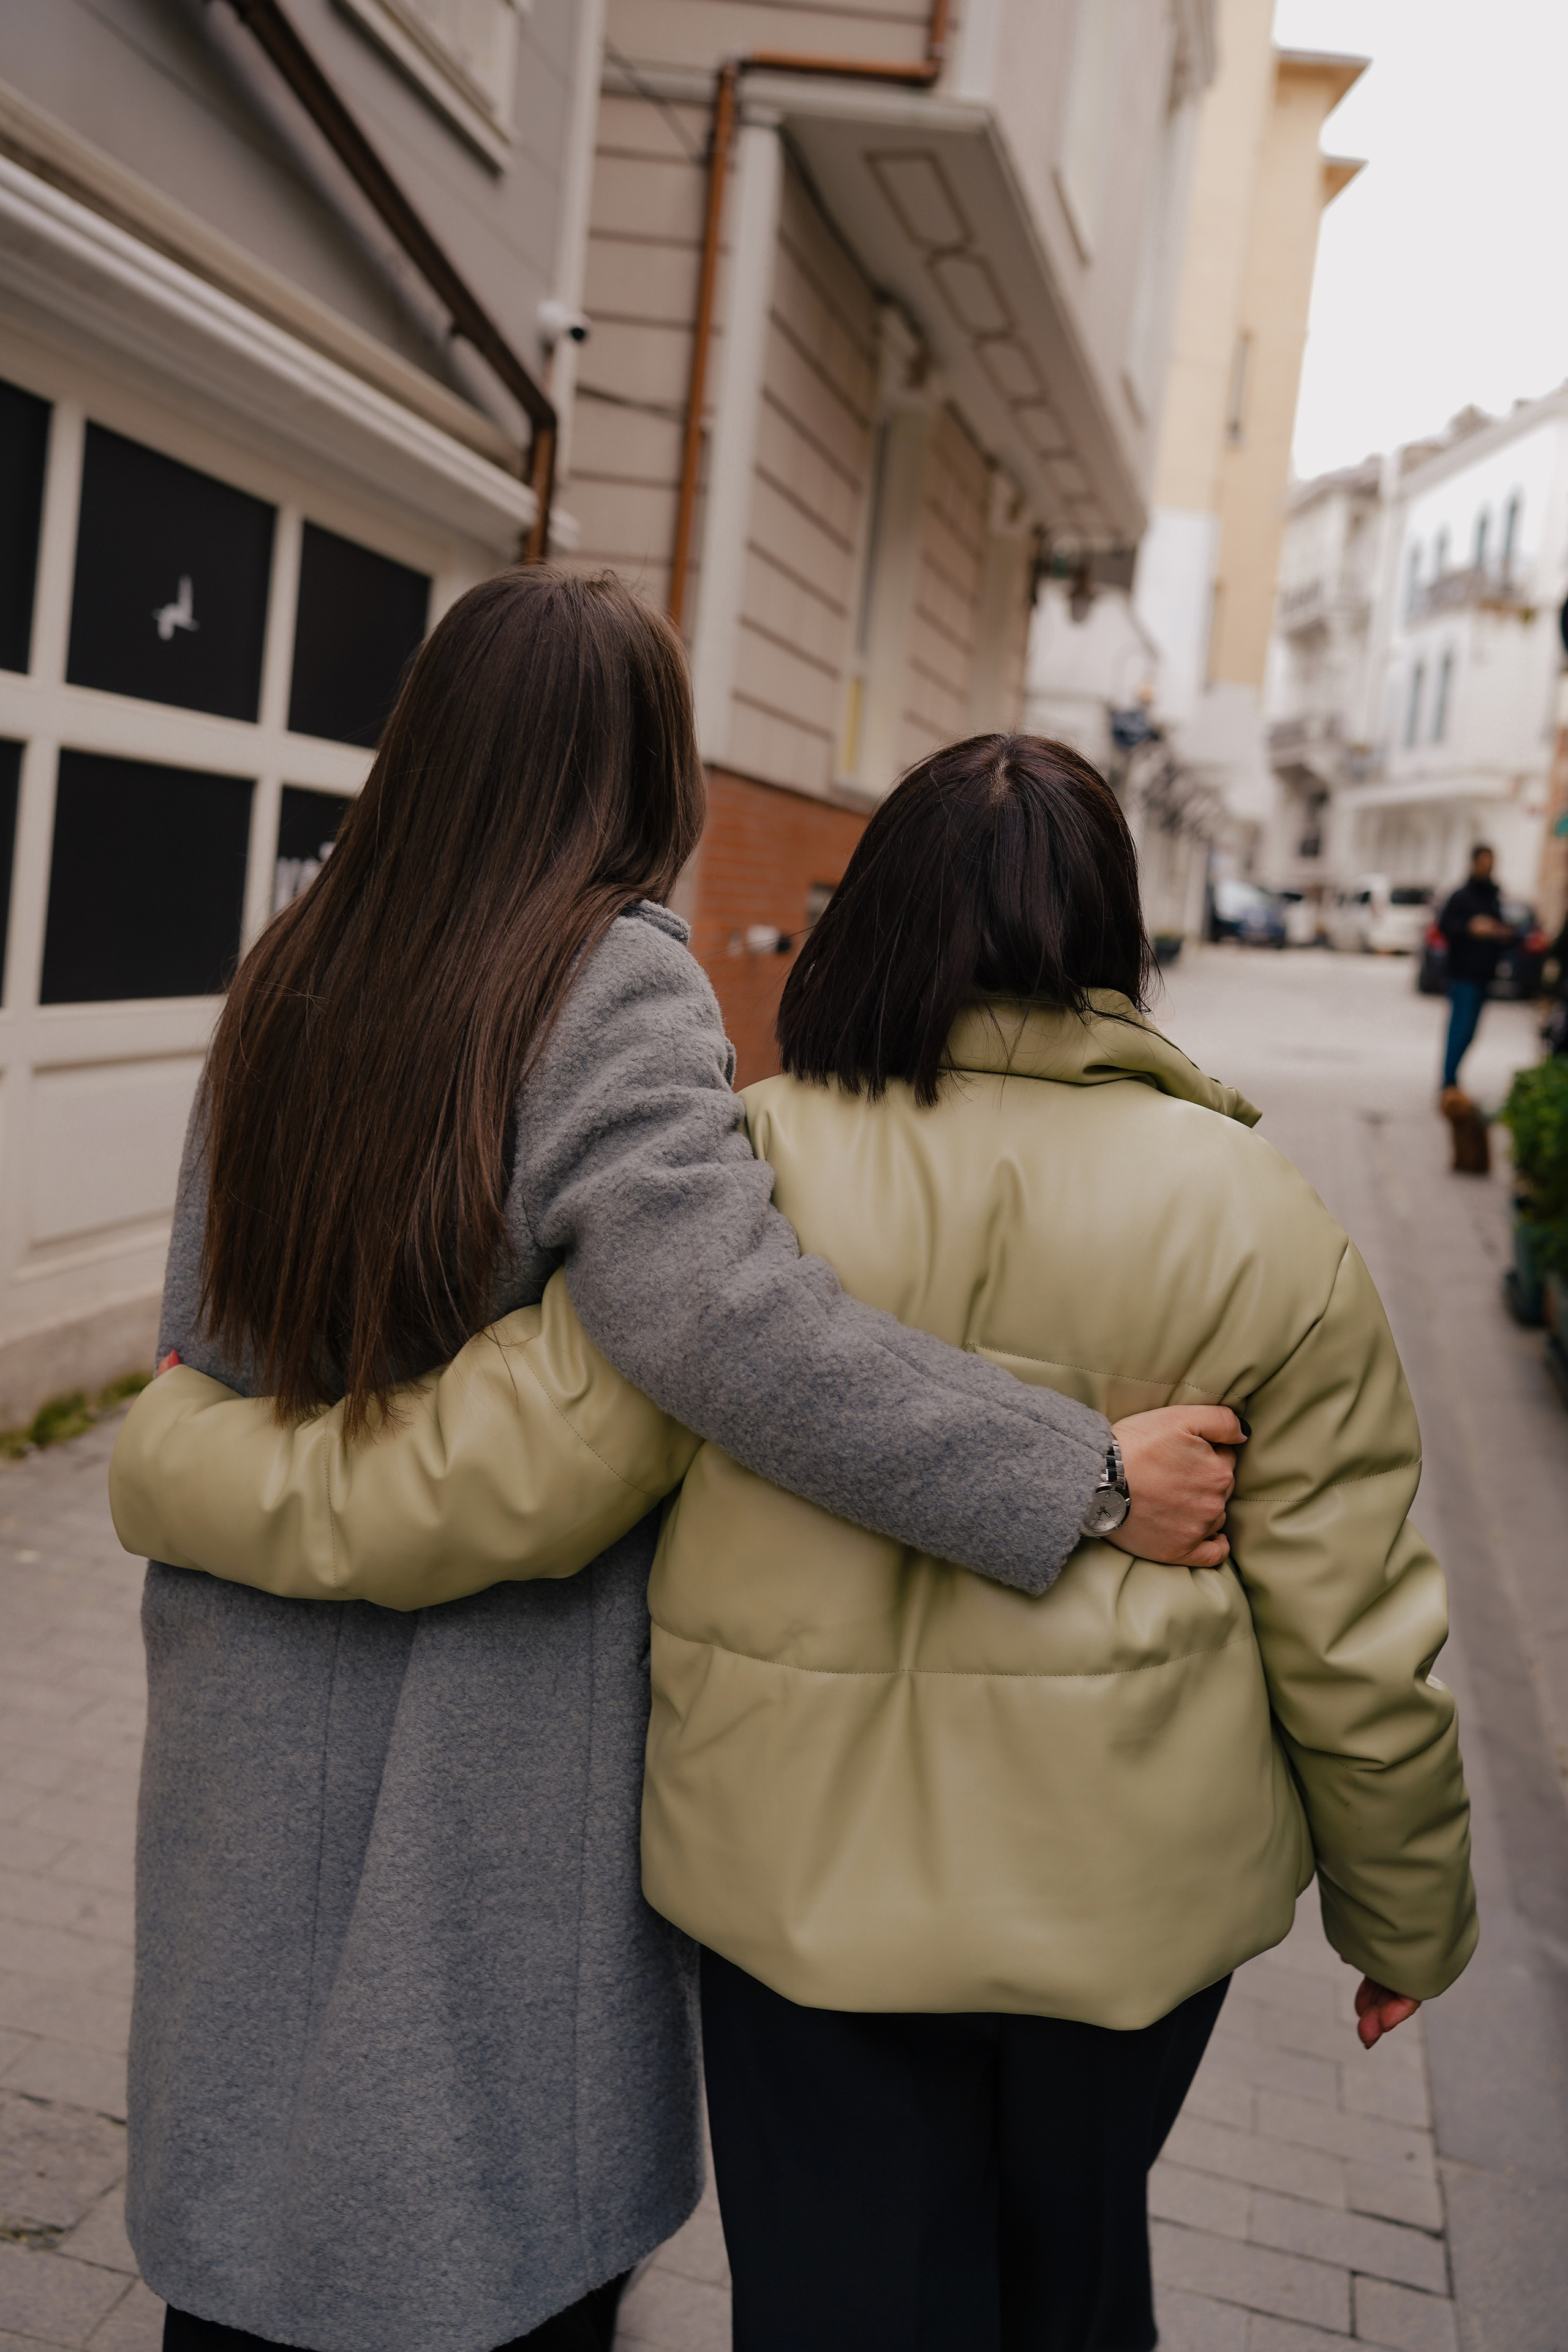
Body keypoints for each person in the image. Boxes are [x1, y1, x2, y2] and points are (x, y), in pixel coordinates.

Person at [118, 732, 1476, 2352]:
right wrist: (1405, 1915)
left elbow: (507, 1474)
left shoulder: (747, 1171)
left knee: (833, 2305)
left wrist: (183, 1455)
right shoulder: (1265, 1219)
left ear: (872, 915)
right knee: (1078, 2289)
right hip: (1135, 1917)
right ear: (1113, 934)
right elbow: (1357, 1626)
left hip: (800, 1917)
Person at [1438, 843, 1515, 1090]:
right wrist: (1470, 928)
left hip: (1485, 975)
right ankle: (1448, 1083)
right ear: (1473, 863)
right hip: (1462, 975)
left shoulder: (1494, 897)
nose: (1488, 867)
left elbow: (1505, 931)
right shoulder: (1461, 896)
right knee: (1459, 1031)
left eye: (1491, 863)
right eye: (1483, 862)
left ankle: (1452, 1079)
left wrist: (1503, 933)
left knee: (1470, 1033)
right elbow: (1444, 927)